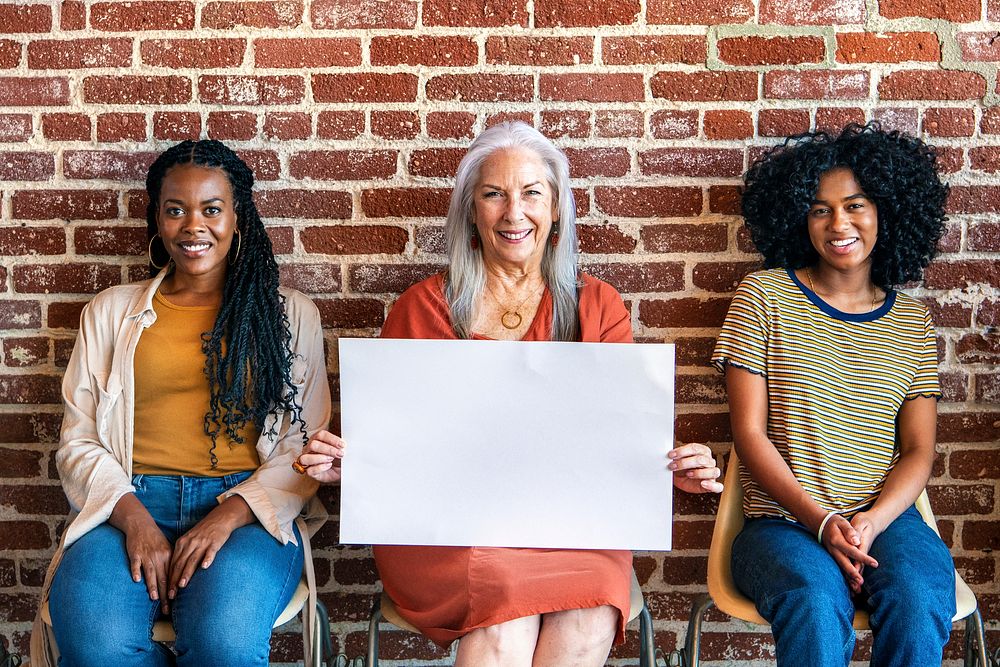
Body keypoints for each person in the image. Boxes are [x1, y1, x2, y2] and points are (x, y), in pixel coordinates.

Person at [295, 121, 723, 667]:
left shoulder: (598, 306)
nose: (513, 213)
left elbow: (619, 437)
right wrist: (352, 467)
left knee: (589, 612)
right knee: (507, 618)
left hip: (573, 524)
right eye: (493, 194)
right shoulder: (422, 309)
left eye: (531, 194)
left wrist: (670, 468)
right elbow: (398, 442)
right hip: (450, 529)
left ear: (558, 210)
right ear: (471, 211)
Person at [30, 140, 329, 667]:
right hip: (125, 504)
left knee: (224, 644)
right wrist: (136, 520)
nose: (194, 226)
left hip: (245, 512)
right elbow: (78, 441)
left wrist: (229, 515)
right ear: (158, 221)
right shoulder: (110, 313)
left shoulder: (290, 316)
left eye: (212, 209)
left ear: (239, 218)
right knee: (95, 649)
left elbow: (302, 447)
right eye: (176, 210)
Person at [712, 123, 954, 666]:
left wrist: (871, 522)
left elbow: (918, 451)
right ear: (799, 217)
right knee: (817, 602)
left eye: (855, 205)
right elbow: (749, 435)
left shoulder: (912, 321)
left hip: (888, 522)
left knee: (918, 599)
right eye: (820, 209)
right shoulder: (763, 299)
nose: (839, 223)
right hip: (782, 524)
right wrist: (821, 521)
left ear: (887, 211)